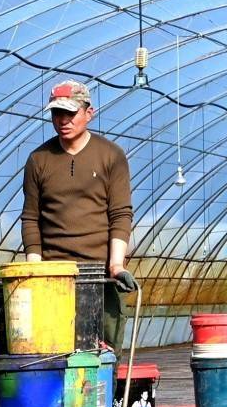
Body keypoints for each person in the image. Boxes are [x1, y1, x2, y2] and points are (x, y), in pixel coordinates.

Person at [20, 80, 139, 344]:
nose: (63, 120)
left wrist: (116, 265)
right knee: (53, 351)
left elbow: (120, 213)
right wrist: (34, 267)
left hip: (100, 273)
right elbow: (31, 217)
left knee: (105, 354)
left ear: (89, 113)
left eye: (70, 113)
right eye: (56, 113)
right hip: (54, 274)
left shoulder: (111, 156)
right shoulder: (39, 160)